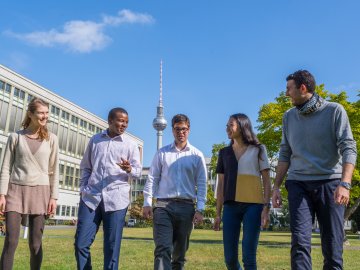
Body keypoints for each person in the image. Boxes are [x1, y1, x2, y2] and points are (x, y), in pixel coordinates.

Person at [272, 70, 357, 270]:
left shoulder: (335, 111)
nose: (286, 94)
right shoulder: (288, 117)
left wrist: (345, 183)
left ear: (303, 88)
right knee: (300, 242)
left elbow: (348, 148)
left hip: (331, 183)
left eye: (289, 89)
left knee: (333, 244)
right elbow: (285, 153)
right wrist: (276, 186)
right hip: (298, 183)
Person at [74, 107, 142, 270]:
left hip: (116, 200)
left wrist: (129, 169)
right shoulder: (96, 140)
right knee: (80, 244)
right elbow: (86, 167)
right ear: (110, 121)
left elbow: (138, 172)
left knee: (112, 249)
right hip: (91, 198)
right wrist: (83, 188)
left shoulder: (131, 145)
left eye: (126, 122)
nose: (124, 124)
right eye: (120, 120)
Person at [0, 98, 59, 270]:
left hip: (41, 193)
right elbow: (5, 168)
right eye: (41, 112)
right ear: (31, 114)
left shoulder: (52, 139)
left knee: (35, 244)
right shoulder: (15, 137)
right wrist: (2, 194)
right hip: (15, 192)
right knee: (11, 241)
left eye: (47, 113)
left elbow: (54, 170)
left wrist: (53, 197)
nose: (45, 116)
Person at [143, 114, 207, 270]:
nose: (181, 133)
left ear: (189, 130)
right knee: (162, 249)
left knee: (179, 255)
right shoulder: (162, 153)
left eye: (184, 129)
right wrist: (147, 202)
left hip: (186, 207)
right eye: (178, 129)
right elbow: (152, 178)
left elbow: (202, 183)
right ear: (172, 130)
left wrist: (200, 209)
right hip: (163, 206)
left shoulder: (197, 156)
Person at [214, 113, 271, 270]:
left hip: (253, 206)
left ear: (242, 126)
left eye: (230, 125)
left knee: (249, 256)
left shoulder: (259, 149)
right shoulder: (224, 153)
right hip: (230, 207)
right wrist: (218, 214)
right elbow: (220, 186)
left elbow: (266, 181)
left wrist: (266, 208)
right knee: (230, 259)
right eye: (226, 125)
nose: (227, 128)